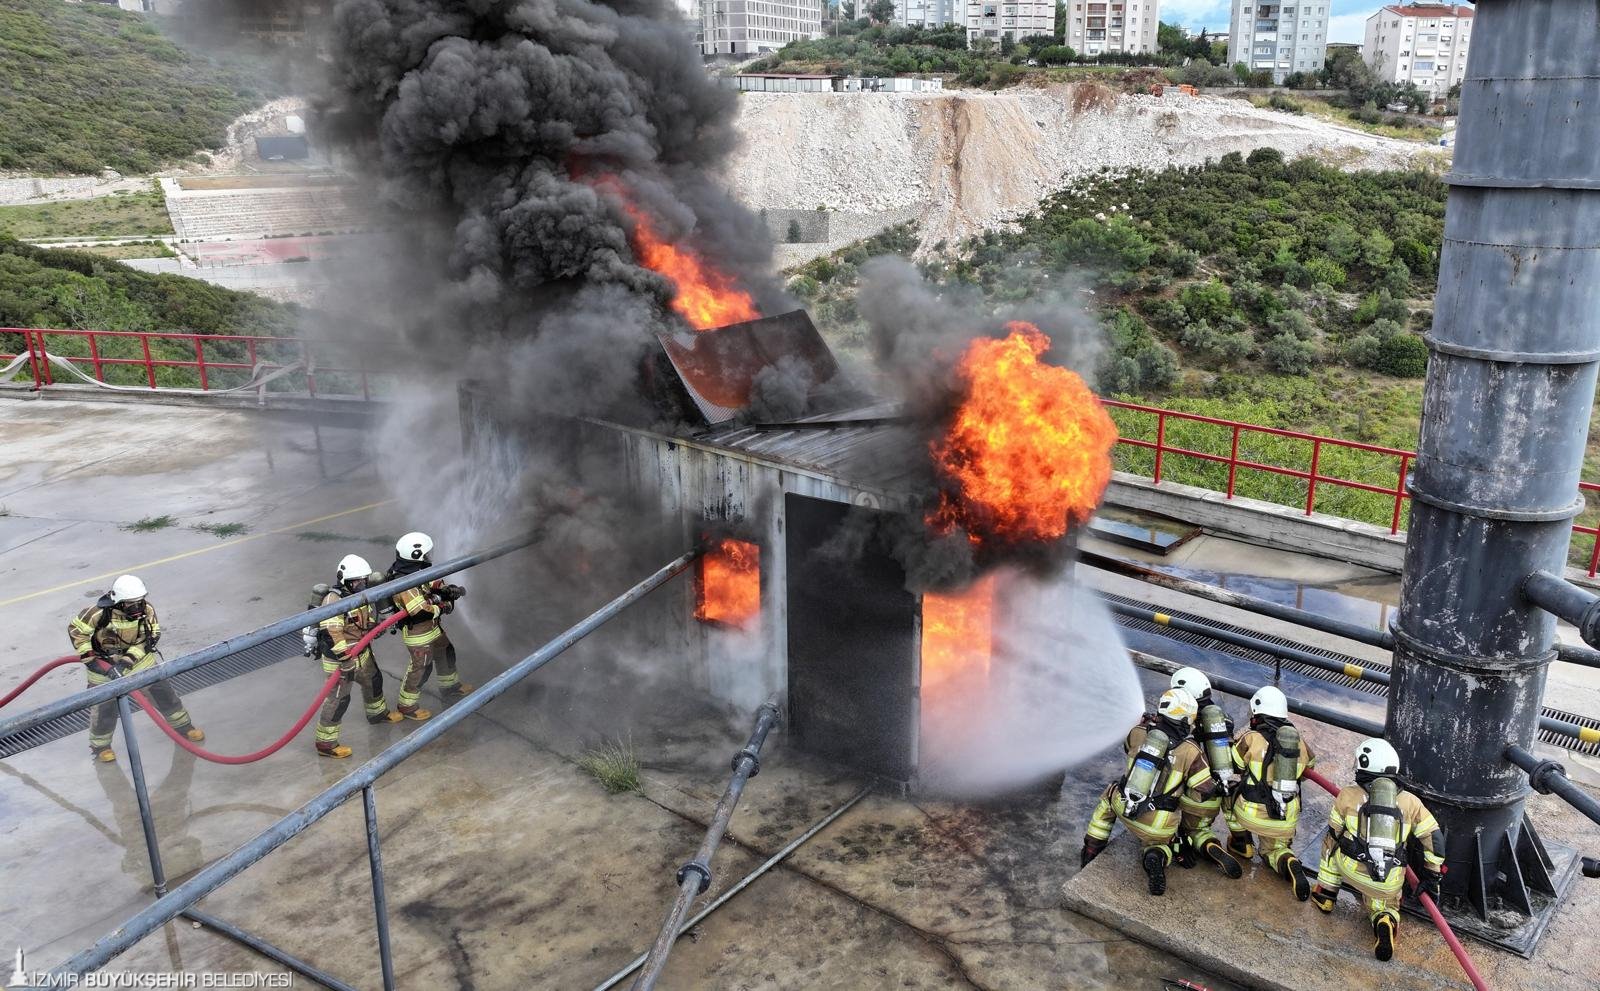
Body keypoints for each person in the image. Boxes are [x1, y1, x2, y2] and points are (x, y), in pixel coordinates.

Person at [1311, 738, 1445, 961]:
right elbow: (1435, 838)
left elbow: (1333, 833)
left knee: (1331, 844)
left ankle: (1325, 894)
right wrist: (1432, 875)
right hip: (1387, 881)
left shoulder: (1347, 795)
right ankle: (1384, 917)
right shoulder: (1411, 802)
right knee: (1384, 899)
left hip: (1349, 870)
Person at [1080, 688, 1220, 896]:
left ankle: (1091, 849)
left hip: (1124, 809)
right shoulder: (1191, 750)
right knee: (1161, 842)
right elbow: (1205, 790)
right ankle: (1156, 855)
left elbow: (1128, 747)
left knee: (1109, 796)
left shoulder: (1138, 732)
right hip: (1159, 825)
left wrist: (1144, 725)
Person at [69, 575, 203, 763]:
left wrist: (126, 661)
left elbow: (150, 637)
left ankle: (184, 727)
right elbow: (77, 631)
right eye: (132, 604)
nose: (138, 608)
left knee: (164, 695)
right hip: (103, 670)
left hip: (141, 663)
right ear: (119, 602)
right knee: (104, 709)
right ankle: (101, 746)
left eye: (140, 602)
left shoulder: (146, 609)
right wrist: (91, 660)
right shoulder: (95, 614)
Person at [1226, 686, 1315, 900]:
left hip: (1250, 812)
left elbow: (1233, 765)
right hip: (1285, 817)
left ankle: (1241, 843)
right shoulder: (1299, 743)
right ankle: (1287, 859)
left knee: (1227, 793)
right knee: (1272, 851)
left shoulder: (1251, 738)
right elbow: (1307, 770)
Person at [313, 554, 402, 758]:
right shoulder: (333, 601)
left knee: (374, 682)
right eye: (358, 581)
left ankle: (377, 714)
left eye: (364, 580)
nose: (362, 584)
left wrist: (374, 627)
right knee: (338, 700)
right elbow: (331, 633)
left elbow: (361, 622)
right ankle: (325, 744)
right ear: (345, 581)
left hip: (362, 653)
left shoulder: (357, 595)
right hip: (341, 661)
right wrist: (345, 659)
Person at [388, 531, 472, 721]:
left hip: (432, 629)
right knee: (421, 668)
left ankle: (449, 687)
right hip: (418, 632)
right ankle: (407, 705)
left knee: (446, 651)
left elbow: (430, 581)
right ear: (416, 555)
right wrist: (443, 606)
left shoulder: (415, 572)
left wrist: (443, 588)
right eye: (426, 554)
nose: (428, 557)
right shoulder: (404, 583)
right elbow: (421, 611)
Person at [1168, 667, 1242, 879]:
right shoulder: (1223, 719)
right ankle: (1208, 843)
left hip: (1191, 792)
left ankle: (1188, 841)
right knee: (1199, 830)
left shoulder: (1184, 723)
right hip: (1217, 791)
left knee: (1178, 825)